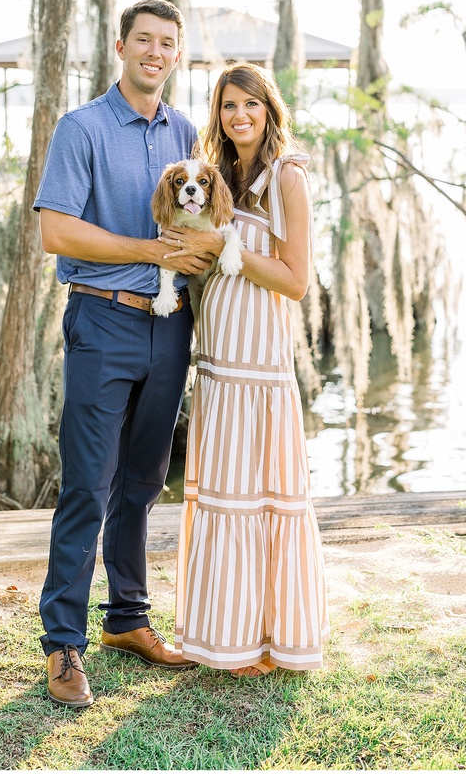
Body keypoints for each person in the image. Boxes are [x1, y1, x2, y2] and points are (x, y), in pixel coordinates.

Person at [33, 0, 206, 708]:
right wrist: (143, 250)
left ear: (175, 53)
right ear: (121, 46)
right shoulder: (82, 129)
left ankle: (127, 620)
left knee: (140, 483)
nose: (155, 53)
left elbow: (212, 221)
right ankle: (64, 645)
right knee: (86, 486)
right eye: (144, 40)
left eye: (167, 43)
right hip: (103, 324)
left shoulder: (187, 131)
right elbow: (56, 232)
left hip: (170, 327)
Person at [159, 62, 329, 676]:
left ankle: (266, 639)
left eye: (250, 106)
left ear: (269, 109)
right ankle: (221, 636)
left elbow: (296, 280)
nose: (239, 117)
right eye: (229, 107)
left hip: (261, 366)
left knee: (259, 499)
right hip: (219, 362)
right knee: (223, 497)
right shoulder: (219, 173)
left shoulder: (288, 176)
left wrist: (231, 255)